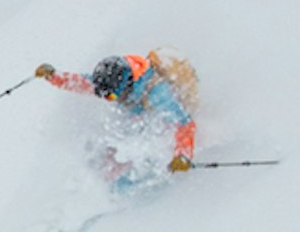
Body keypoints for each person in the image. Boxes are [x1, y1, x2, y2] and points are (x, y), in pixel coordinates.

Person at [35, 52, 196, 182]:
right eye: (102, 95)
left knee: (137, 149)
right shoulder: (111, 83)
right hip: (137, 119)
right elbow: (81, 83)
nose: (107, 99)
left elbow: (184, 124)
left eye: (111, 97)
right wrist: (53, 76)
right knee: (110, 145)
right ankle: (109, 173)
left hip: (159, 124)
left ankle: (125, 179)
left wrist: (182, 155)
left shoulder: (158, 94)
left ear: (126, 85)